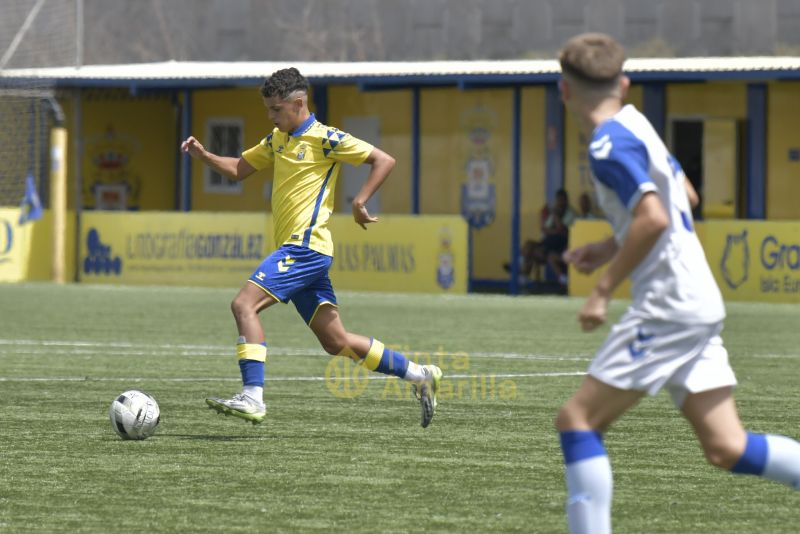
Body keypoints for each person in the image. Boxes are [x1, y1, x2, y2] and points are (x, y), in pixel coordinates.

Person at [554, 33, 800, 533]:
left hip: (668, 304)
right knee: (726, 447)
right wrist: (608, 245)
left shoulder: (605, 144)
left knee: (577, 420)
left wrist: (603, 288)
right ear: (623, 84)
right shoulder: (637, 123)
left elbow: (654, 218)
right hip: (697, 299)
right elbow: (683, 194)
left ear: (564, 90)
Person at [181, 68, 442, 428]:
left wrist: (359, 201)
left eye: (276, 109)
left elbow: (384, 160)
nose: (271, 117)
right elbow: (241, 168)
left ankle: (252, 397)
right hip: (306, 253)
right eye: (269, 110)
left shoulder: (325, 138)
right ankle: (419, 374)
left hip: (304, 247)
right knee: (336, 342)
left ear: (298, 103)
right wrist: (205, 156)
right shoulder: (278, 139)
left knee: (243, 304)